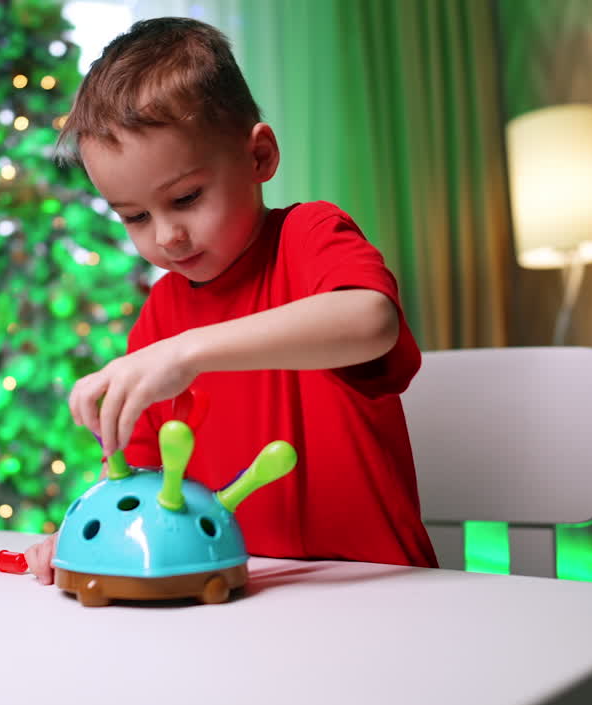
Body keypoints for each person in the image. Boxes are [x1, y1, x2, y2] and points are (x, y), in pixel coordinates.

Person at [24, 17, 437, 583]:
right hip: (234, 595)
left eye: (187, 197)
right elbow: (137, 480)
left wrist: (185, 353)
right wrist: (81, 534)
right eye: (135, 217)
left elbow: (371, 320)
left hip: (376, 587)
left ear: (259, 157)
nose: (166, 235)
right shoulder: (160, 313)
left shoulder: (310, 235)